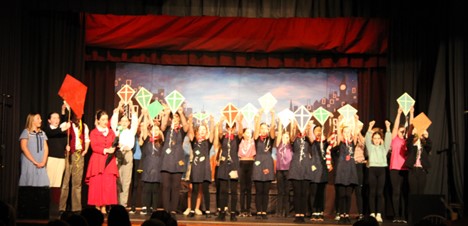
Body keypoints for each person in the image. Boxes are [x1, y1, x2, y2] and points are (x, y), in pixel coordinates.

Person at [85, 110, 118, 214]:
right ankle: (96, 206)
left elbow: (114, 144)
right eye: (103, 119)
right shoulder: (93, 132)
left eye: (106, 119)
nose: (105, 121)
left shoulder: (111, 132)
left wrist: (115, 147)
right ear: (98, 120)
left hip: (109, 161)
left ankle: (104, 206)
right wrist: (105, 150)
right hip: (97, 161)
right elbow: (94, 146)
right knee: (97, 183)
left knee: (107, 184)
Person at [160, 106, 189, 218]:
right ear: (171, 119)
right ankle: (166, 209)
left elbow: (186, 128)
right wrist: (167, 113)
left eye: (178, 118)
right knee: (166, 186)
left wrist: (181, 113)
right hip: (166, 162)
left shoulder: (181, 130)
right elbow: (162, 126)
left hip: (178, 161)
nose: (176, 119)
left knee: (176, 187)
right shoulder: (167, 128)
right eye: (175, 117)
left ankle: (173, 210)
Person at [214, 114, 243, 221]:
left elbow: (240, 133)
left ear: (234, 128)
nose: (230, 129)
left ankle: (233, 213)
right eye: (228, 127)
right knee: (223, 190)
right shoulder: (224, 138)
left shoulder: (236, 138)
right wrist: (221, 122)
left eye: (232, 127)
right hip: (224, 165)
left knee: (234, 191)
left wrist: (239, 121)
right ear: (226, 128)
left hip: (234, 165)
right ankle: (222, 212)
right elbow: (220, 133)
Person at [59, 113, 90, 214]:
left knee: (77, 183)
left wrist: (85, 150)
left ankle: (76, 208)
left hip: (79, 154)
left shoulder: (84, 126)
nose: (78, 117)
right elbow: (59, 132)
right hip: (69, 154)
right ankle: (61, 208)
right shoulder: (67, 124)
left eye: (80, 115)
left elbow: (86, 139)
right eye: (76, 115)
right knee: (65, 181)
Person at [111, 100, 138, 207]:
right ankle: (115, 203)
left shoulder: (131, 131)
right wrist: (118, 106)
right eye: (122, 120)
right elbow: (113, 121)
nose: (124, 122)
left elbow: (135, 122)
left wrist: (131, 106)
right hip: (118, 154)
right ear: (119, 122)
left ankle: (123, 204)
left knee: (126, 180)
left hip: (127, 155)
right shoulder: (117, 131)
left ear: (128, 123)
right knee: (117, 179)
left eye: (126, 121)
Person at [186, 115, 215, 218]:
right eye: (200, 129)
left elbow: (211, 135)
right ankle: (193, 210)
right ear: (197, 132)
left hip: (205, 168)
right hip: (196, 167)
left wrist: (211, 123)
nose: (202, 131)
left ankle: (207, 211)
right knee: (195, 189)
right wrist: (190, 122)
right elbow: (190, 133)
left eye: (204, 130)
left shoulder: (208, 142)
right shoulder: (194, 141)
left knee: (205, 190)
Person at [333, 115, 359, 224]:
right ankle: (341, 214)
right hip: (341, 170)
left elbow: (357, 133)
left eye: (348, 132)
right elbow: (339, 133)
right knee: (342, 194)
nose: (347, 133)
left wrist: (356, 121)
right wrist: (339, 123)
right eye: (345, 132)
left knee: (348, 195)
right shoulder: (341, 143)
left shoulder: (353, 142)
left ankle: (346, 214)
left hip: (351, 170)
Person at [389, 107, 413, 223]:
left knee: (404, 192)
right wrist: (398, 114)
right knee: (396, 192)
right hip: (394, 168)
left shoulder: (407, 140)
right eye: (400, 130)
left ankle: (403, 216)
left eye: (404, 131)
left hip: (405, 168)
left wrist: (412, 113)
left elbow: (411, 128)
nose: (402, 132)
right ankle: (396, 215)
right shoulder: (394, 139)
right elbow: (394, 127)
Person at [365, 120, 392, 223]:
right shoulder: (370, 147)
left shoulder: (384, 148)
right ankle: (372, 213)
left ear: (381, 139)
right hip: (372, 169)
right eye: (375, 138)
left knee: (380, 193)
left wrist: (388, 127)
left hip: (381, 170)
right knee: (372, 192)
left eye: (378, 138)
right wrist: (369, 127)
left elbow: (388, 139)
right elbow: (367, 139)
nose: (376, 140)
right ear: (373, 139)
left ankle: (379, 214)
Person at [252, 109, 276, 220]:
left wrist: (272, 115)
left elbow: (272, 131)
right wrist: (260, 116)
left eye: (265, 128)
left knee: (265, 191)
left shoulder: (270, 139)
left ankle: (264, 211)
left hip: (268, 163)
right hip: (258, 164)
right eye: (262, 128)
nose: (263, 130)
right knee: (259, 190)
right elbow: (256, 132)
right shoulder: (257, 139)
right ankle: (258, 211)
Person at [287, 119, 312, 223]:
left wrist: (309, 127)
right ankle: (297, 214)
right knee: (297, 192)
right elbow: (292, 137)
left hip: (306, 166)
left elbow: (311, 139)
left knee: (304, 193)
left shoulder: (308, 138)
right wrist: (295, 124)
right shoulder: (295, 137)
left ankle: (303, 213)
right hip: (296, 167)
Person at [140, 108, 164, 215]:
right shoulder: (147, 139)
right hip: (147, 167)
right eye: (154, 130)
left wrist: (158, 128)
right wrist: (146, 116)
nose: (155, 131)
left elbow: (162, 131)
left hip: (157, 167)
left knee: (155, 189)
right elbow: (145, 129)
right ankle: (145, 206)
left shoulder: (161, 142)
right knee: (146, 189)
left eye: (157, 130)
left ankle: (154, 208)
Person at [43, 104, 69, 191]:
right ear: (49, 120)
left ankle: (55, 203)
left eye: (58, 118)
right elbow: (53, 133)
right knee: (49, 183)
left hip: (61, 159)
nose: (56, 120)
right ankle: (47, 203)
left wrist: (63, 111)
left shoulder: (61, 131)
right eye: (54, 118)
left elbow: (63, 124)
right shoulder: (47, 130)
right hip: (51, 158)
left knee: (57, 185)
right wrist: (63, 128)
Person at [19, 113, 50, 187]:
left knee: (42, 183)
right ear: (32, 120)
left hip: (40, 162)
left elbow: (46, 148)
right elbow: (24, 147)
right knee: (30, 183)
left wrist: (43, 162)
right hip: (30, 162)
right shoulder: (26, 132)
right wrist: (34, 161)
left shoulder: (42, 133)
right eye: (38, 118)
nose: (41, 120)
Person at [309, 124, 330, 222]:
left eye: (320, 130)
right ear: (313, 132)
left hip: (323, 169)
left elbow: (330, 136)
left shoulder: (324, 142)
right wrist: (309, 126)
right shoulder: (312, 142)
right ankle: (314, 212)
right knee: (313, 191)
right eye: (316, 130)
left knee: (321, 192)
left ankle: (320, 211)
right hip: (313, 169)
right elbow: (309, 136)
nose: (318, 132)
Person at [404, 124, 432, 195]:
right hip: (413, 170)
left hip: (422, 171)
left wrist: (427, 137)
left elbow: (429, 145)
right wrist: (413, 135)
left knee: (421, 192)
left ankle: (419, 206)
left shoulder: (424, 147)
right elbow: (408, 143)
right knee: (413, 192)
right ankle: (413, 206)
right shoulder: (412, 147)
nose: (418, 137)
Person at [274, 120, 292, 219]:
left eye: (287, 137)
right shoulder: (279, 144)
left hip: (288, 170)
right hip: (280, 170)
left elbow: (293, 134)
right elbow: (280, 133)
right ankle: (279, 211)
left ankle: (287, 212)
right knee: (280, 191)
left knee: (287, 192)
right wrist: (280, 123)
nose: (286, 138)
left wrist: (292, 122)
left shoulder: (291, 146)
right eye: (284, 136)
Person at [238, 127, 256, 217]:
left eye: (250, 133)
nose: (248, 134)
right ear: (243, 134)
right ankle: (242, 210)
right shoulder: (240, 141)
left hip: (251, 163)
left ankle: (248, 210)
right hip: (242, 163)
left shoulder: (253, 141)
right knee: (242, 189)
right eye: (247, 133)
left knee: (248, 189)